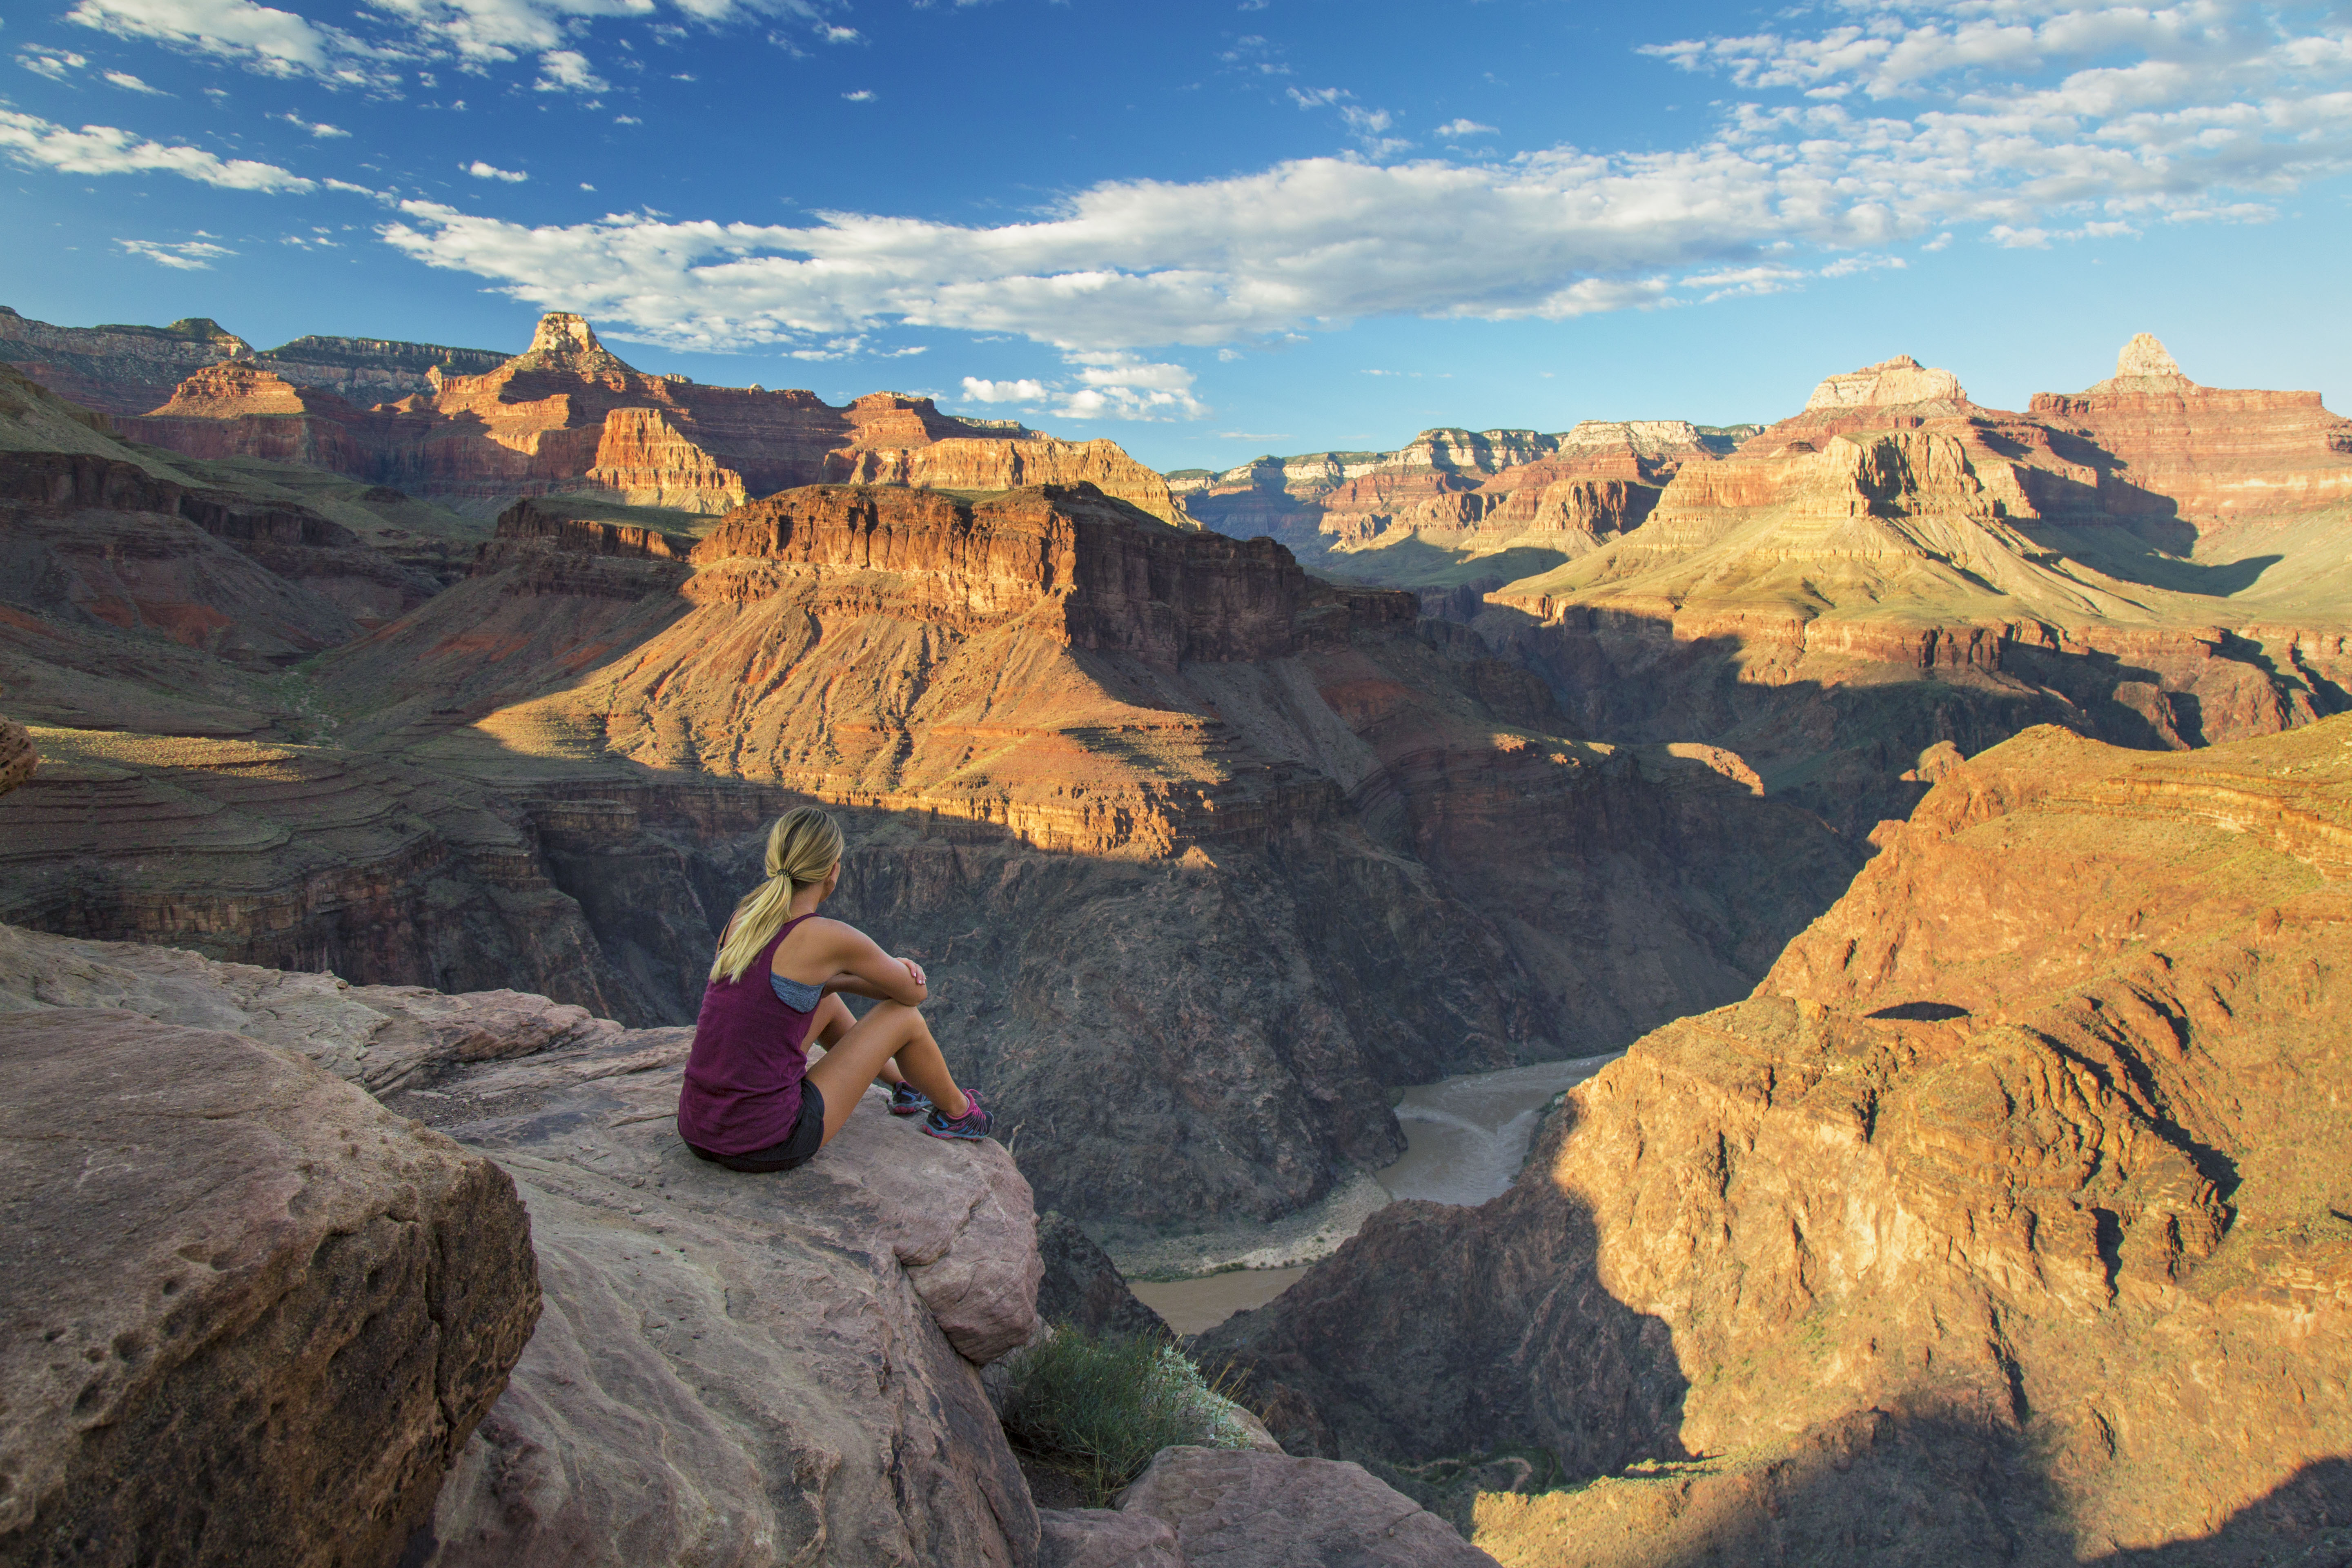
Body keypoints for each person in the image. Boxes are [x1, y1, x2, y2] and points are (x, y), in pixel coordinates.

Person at [676, 805, 991, 1173]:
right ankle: (959, 1113)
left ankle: (906, 1086)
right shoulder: (827, 937)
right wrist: (901, 970)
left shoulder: (744, 918)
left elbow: (778, 988)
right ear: (832, 870)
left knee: (822, 998)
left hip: (698, 1129)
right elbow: (913, 996)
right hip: (767, 1142)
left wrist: (835, 982)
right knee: (903, 1018)